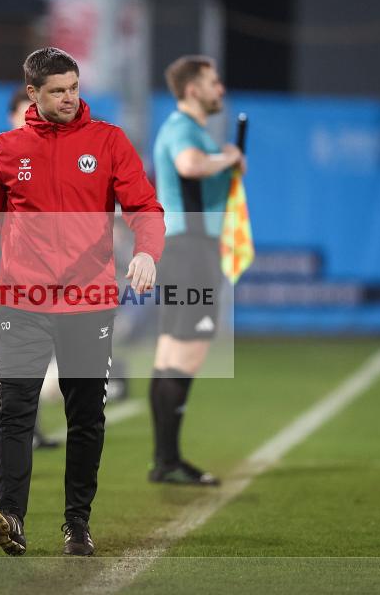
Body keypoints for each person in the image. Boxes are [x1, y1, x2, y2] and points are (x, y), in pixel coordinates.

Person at [0, 47, 164, 556]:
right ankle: (11, 516)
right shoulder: (8, 148)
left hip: (89, 302)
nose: (70, 98)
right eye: (58, 91)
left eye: (74, 88)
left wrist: (147, 253)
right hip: (23, 303)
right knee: (16, 412)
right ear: (33, 93)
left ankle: (77, 523)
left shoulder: (109, 141)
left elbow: (145, 207)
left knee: (87, 416)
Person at [148, 55, 246, 486]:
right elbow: (189, 165)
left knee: (171, 353)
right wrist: (228, 158)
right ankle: (167, 462)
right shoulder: (183, 129)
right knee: (185, 354)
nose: (220, 88)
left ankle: (165, 460)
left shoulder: (188, 129)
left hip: (181, 250)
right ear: (193, 89)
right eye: (213, 81)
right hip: (190, 252)